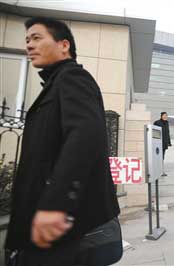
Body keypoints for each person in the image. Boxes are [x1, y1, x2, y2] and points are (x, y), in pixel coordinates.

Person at [4, 17, 120, 265]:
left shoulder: (72, 78)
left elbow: (86, 137)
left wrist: (56, 204)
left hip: (62, 232)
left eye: (36, 38)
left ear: (64, 45)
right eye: (26, 40)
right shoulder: (55, 84)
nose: (29, 46)